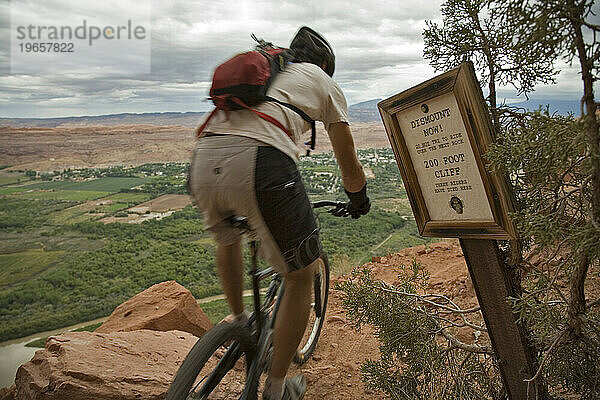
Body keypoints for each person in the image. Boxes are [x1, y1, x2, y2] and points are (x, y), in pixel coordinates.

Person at [188, 26, 370, 400]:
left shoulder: (268, 71)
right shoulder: (321, 80)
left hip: (204, 158)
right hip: (261, 165)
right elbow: (347, 158)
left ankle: (239, 325)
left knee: (228, 238)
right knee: (300, 276)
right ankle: (277, 386)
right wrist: (358, 198)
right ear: (323, 63)